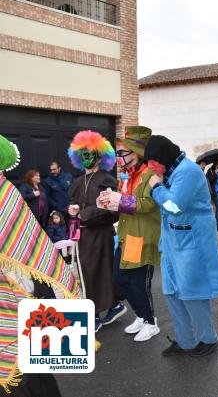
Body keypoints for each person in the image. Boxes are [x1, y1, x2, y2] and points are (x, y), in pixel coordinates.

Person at [0, 135, 81, 396]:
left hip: (16, 295)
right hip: (20, 296)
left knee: (27, 371)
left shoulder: (5, 196)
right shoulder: (9, 192)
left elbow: (24, 251)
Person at [144, 135, 218, 357]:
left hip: (192, 243)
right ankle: (185, 341)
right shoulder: (171, 171)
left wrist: (155, 188)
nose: (152, 168)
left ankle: (209, 338)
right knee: (172, 292)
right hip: (173, 242)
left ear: (164, 156)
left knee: (193, 293)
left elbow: (174, 205)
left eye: (154, 162)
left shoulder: (187, 171)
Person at [96, 126, 161, 341]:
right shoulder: (127, 176)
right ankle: (142, 315)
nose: (118, 157)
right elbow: (124, 201)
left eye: (122, 152)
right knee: (120, 280)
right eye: (117, 152)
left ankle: (151, 321)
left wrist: (121, 200)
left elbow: (151, 203)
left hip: (142, 238)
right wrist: (109, 201)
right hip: (127, 237)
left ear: (136, 153)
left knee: (139, 284)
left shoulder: (151, 175)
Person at [67, 130, 124, 332]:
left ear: (100, 156)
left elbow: (112, 210)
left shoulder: (106, 180)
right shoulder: (76, 182)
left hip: (100, 235)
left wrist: (83, 213)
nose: (86, 157)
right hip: (82, 236)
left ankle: (96, 314)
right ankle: (112, 306)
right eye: (82, 154)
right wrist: (72, 212)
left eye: (90, 153)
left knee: (96, 273)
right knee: (85, 274)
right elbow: (74, 205)